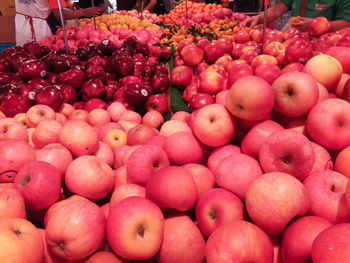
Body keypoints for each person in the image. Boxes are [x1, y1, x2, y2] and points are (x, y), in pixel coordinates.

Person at [15, 0, 102, 46]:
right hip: (40, 29)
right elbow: (59, 14)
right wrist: (83, 12)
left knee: (22, 59)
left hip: (21, 24)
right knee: (39, 63)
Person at [243, 0, 350, 32]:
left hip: (325, 50)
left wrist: (317, 25)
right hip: (296, 43)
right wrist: (259, 18)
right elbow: (276, 10)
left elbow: (346, 23)